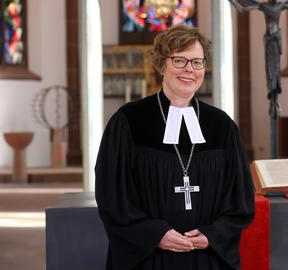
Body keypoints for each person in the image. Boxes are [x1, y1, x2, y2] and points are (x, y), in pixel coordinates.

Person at [95, 25, 255, 270]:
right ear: (161, 64)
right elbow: (112, 193)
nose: (190, 69)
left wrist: (213, 234)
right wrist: (154, 234)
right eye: (179, 60)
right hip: (149, 259)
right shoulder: (129, 121)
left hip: (207, 258)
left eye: (197, 62)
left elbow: (240, 196)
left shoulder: (222, 126)